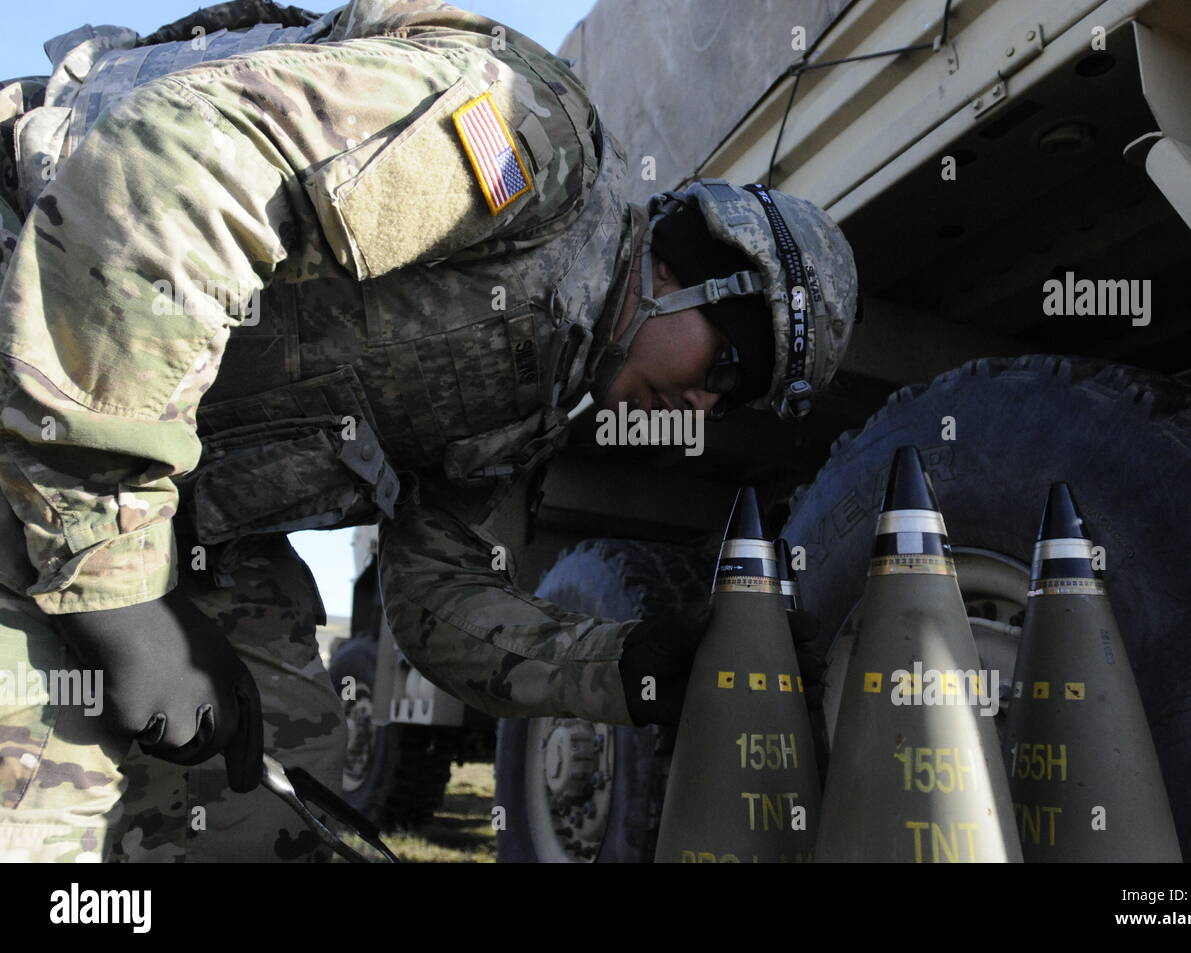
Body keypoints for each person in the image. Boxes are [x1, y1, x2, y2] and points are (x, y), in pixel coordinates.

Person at [0, 0, 858, 861]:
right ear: (684, 264)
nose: (702, 411)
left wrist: (617, 665)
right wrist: (120, 586)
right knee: (38, 801)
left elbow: (436, 597)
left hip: (179, 515)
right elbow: (172, 169)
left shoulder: (536, 407)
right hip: (37, 356)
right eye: (724, 369)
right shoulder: (529, 145)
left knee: (277, 805)